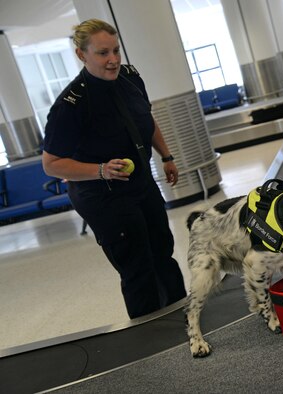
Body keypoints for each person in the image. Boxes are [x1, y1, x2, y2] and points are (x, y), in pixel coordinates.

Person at [42, 19, 186, 319]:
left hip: (141, 183)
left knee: (163, 252)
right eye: (103, 53)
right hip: (103, 195)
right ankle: (154, 340)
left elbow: (146, 120)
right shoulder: (71, 105)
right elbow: (52, 164)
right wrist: (101, 170)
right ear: (82, 55)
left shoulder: (131, 78)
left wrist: (167, 155)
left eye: (116, 51)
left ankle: (184, 316)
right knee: (137, 267)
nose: (113, 60)